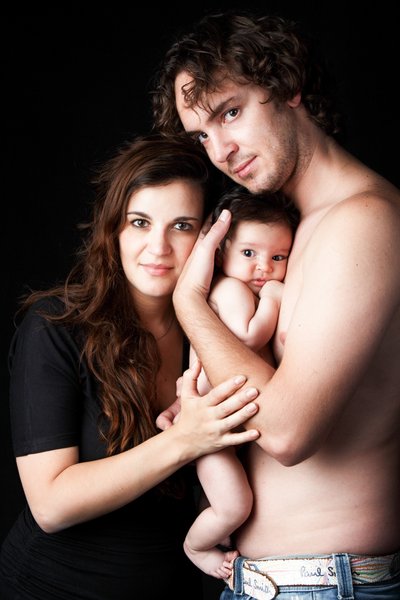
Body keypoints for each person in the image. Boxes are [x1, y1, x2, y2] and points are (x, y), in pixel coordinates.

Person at [151, 9, 400, 600]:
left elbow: (287, 432)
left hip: (326, 584)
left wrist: (193, 307)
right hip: (272, 580)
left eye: (230, 112)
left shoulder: (363, 222)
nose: (221, 150)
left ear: (287, 86)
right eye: (202, 135)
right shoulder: (302, 230)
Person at [0, 133, 262, 600]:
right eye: (139, 222)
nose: (158, 247)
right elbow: (51, 504)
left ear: (208, 237)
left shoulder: (212, 335)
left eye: (181, 226)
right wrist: (185, 439)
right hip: (52, 588)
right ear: (113, 229)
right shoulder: (56, 327)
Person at [157, 185, 298, 580]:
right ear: (221, 252)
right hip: (212, 428)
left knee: (227, 498)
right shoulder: (231, 288)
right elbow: (248, 337)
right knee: (233, 506)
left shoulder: (226, 288)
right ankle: (196, 546)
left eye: (278, 257)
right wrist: (273, 298)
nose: (263, 268)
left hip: (218, 418)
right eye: (249, 253)